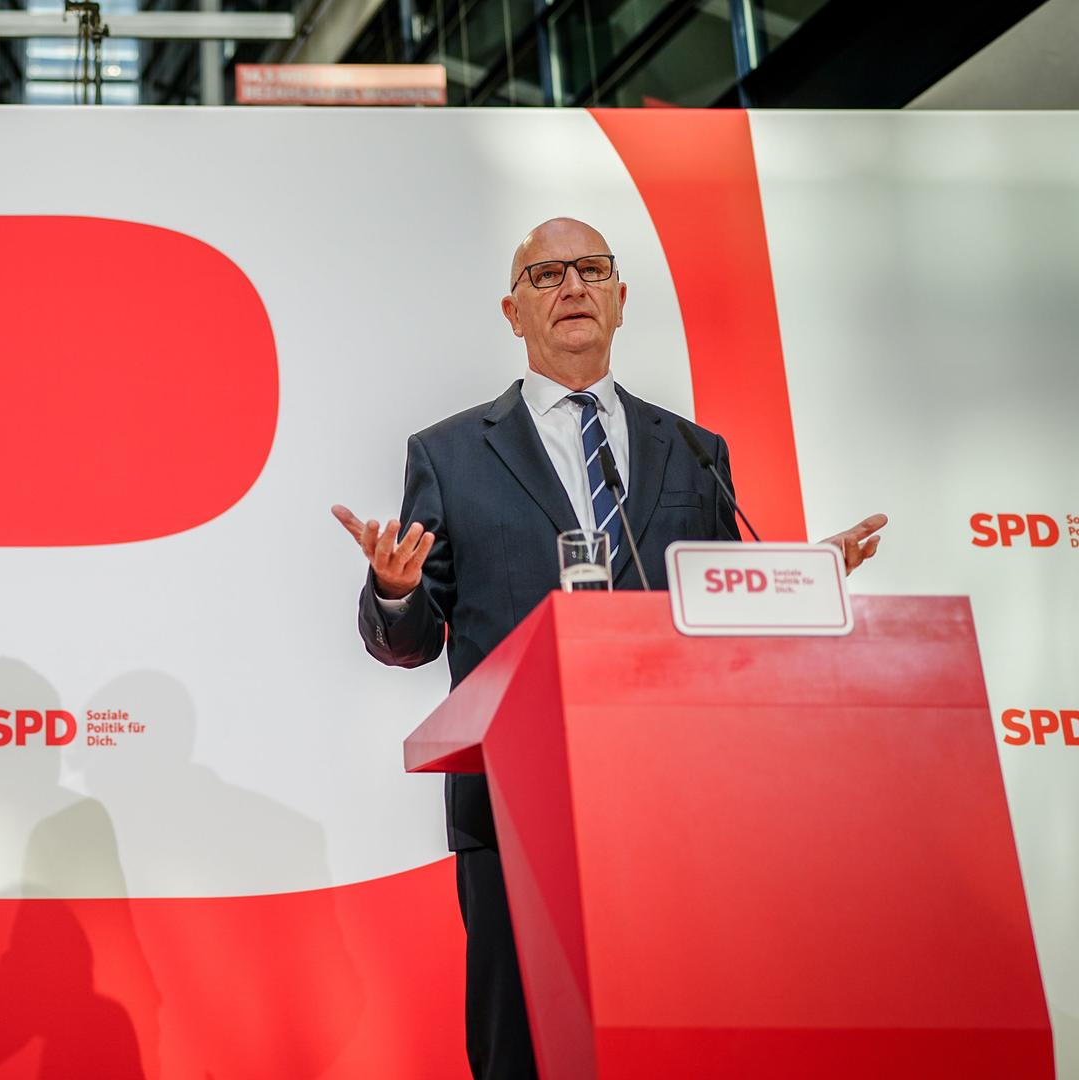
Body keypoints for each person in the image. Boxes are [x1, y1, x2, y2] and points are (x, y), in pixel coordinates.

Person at [331, 217, 884, 1080]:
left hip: (676, 801)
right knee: (523, 1049)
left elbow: (722, 620)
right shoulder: (447, 455)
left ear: (622, 299)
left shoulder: (695, 452)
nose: (573, 287)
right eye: (547, 276)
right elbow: (408, 643)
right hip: (514, 806)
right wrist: (396, 590)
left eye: (590, 269)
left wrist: (803, 585)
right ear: (513, 311)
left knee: (674, 1039)